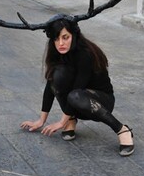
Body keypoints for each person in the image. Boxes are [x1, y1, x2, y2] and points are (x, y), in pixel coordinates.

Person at [20, 16, 135, 156]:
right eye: (56, 39)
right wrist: (41, 120)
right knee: (57, 76)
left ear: (74, 35)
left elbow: (78, 88)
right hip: (77, 99)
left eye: (65, 37)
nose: (60, 43)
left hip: (101, 102)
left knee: (75, 95)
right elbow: (51, 86)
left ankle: (122, 129)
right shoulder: (57, 52)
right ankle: (71, 119)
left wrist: (61, 122)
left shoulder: (85, 54)